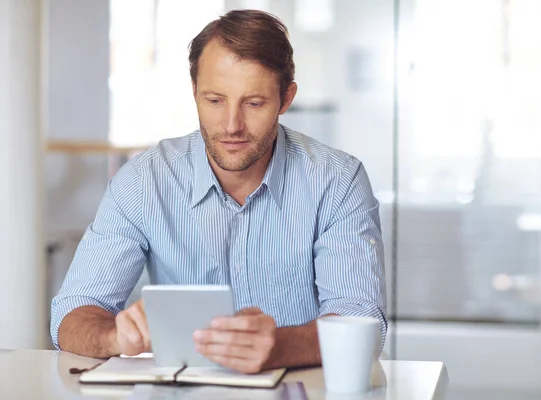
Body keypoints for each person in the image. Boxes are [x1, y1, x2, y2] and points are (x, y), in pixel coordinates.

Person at [51, 9, 387, 374]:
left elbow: (361, 324)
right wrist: (113, 338)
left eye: (254, 103)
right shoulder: (144, 180)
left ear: (286, 99)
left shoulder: (337, 180)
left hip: (301, 390)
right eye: (214, 101)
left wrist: (280, 347)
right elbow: (72, 316)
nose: (231, 125)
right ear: (194, 91)